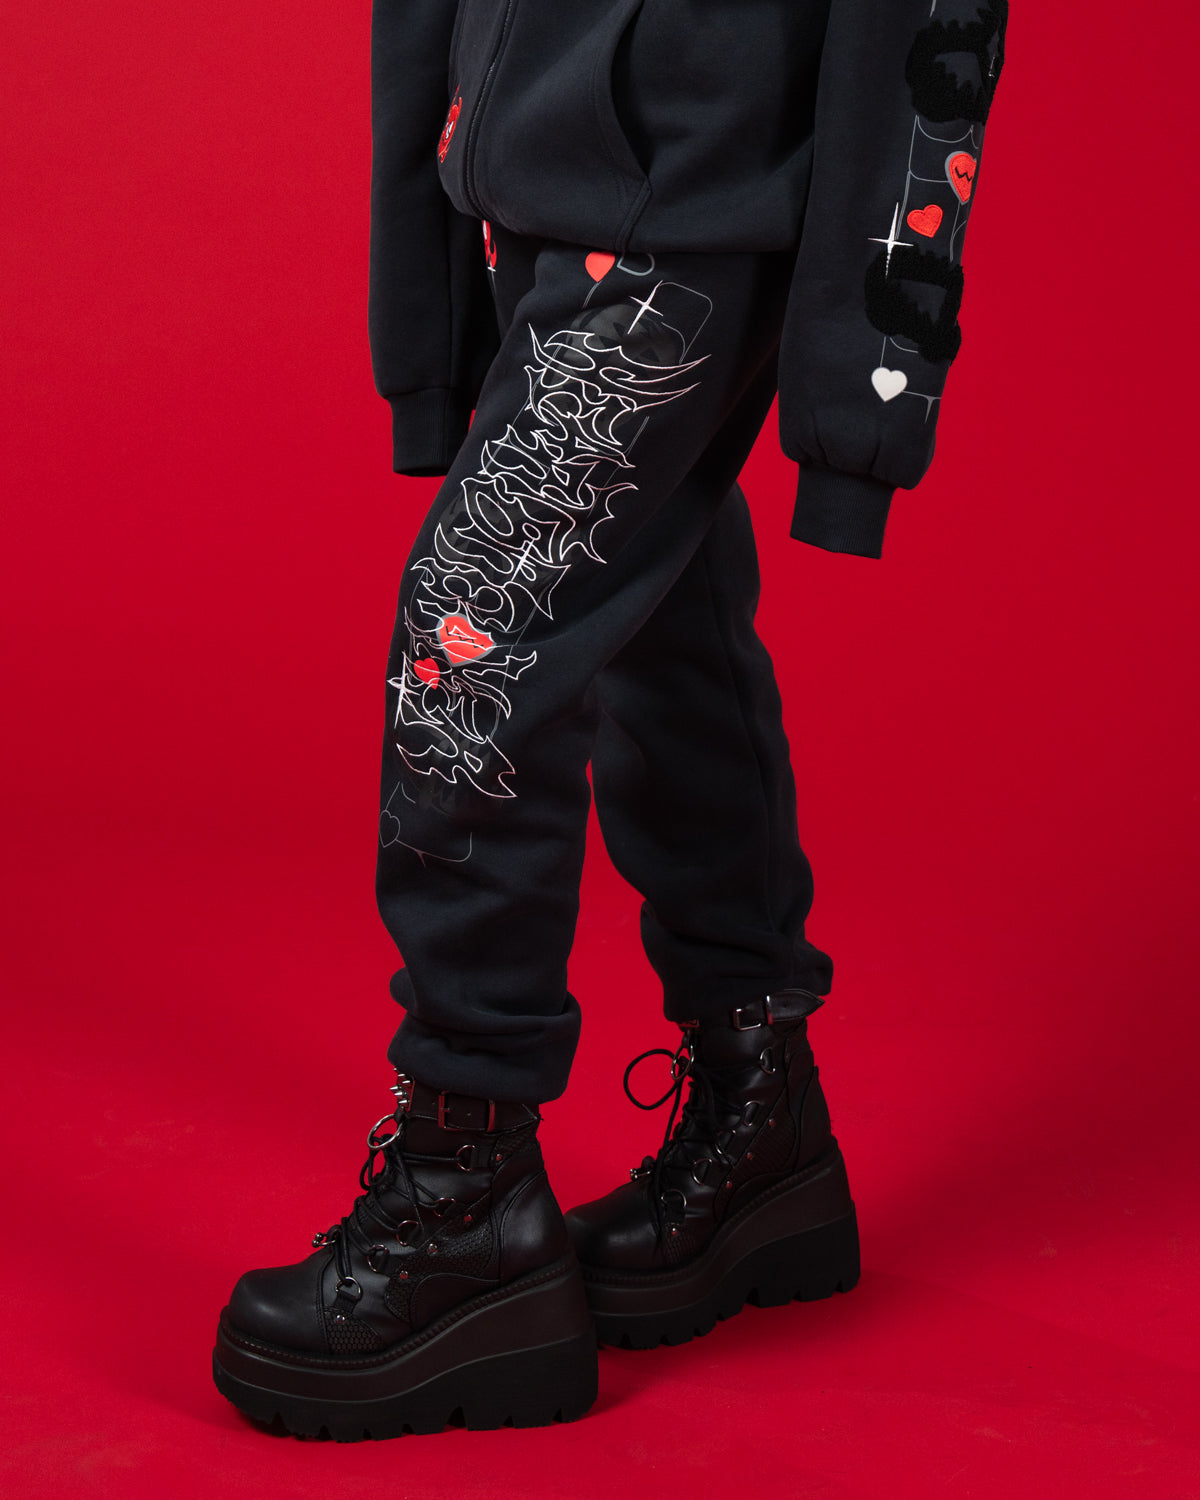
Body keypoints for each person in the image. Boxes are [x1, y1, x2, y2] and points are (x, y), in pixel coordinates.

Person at [212, 0, 1009, 1439]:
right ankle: (758, 1117)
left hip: (695, 214)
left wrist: (870, 386)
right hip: (534, 190)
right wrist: (426, 288)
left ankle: (465, 1191)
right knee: (658, 636)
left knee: (472, 650)